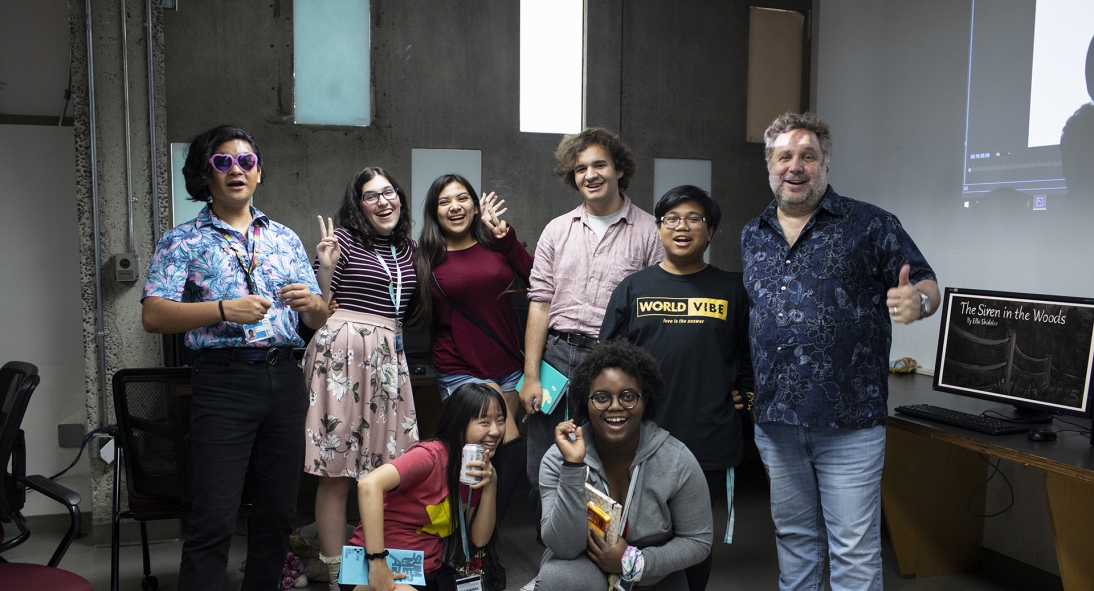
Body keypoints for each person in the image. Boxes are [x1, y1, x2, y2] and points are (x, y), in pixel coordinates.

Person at [740, 111, 939, 591]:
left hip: (850, 423)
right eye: (783, 156)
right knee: (794, 539)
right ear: (769, 166)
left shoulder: (870, 224)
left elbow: (927, 283)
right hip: (777, 422)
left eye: (807, 156)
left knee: (852, 546)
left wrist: (921, 302)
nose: (795, 166)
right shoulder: (752, 234)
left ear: (825, 165)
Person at [141, 125, 328, 590]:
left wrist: (315, 305)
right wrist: (225, 309)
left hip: (285, 380)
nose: (236, 170)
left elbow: (318, 318)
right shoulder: (182, 240)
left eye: (246, 162)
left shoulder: (284, 237)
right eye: (223, 162)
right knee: (215, 517)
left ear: (259, 172)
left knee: (277, 516)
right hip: (223, 383)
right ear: (207, 175)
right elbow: (153, 314)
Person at [600, 185, 751, 590]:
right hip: (641, 435)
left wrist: (746, 397)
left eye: (693, 219)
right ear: (659, 227)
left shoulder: (732, 290)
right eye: (671, 219)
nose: (681, 227)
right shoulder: (633, 288)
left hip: (709, 434)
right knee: (632, 527)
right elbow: (605, 363)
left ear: (710, 230)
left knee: (695, 538)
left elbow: (751, 357)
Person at [519, 128, 663, 553]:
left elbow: (656, 310)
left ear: (620, 169)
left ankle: (606, 555)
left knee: (610, 462)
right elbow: (540, 305)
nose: (590, 175)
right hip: (557, 358)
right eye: (580, 168)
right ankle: (555, 552)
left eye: (599, 165)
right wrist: (530, 375)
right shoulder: (557, 230)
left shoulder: (650, 231)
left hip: (616, 362)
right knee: (542, 464)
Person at [304, 167, 423, 590]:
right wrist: (325, 267)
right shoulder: (344, 243)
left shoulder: (410, 249)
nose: (383, 201)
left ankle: (382, 570)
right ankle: (338, 579)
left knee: (389, 470)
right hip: (344, 355)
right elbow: (318, 306)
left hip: (391, 356)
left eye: (388, 192)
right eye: (371, 196)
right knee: (336, 473)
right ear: (358, 205)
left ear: (400, 198)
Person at [535, 339, 712, 591]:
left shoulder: (677, 459)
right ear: (586, 402)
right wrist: (573, 468)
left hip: (651, 572)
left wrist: (632, 561)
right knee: (559, 579)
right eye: (602, 397)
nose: (615, 406)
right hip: (583, 565)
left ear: (645, 401)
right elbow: (563, 547)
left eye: (628, 396)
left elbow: (698, 541)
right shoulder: (559, 457)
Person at [417, 173, 534, 523]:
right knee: (479, 460)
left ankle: (481, 543)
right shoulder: (425, 257)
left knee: (498, 460)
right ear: (434, 213)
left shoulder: (497, 242)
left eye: (462, 198)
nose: (455, 207)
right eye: (444, 201)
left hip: (508, 365)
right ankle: (466, 544)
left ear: (475, 204)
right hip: (460, 368)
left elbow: (536, 278)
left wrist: (507, 237)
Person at [349, 382, 505, 591]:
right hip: (372, 566)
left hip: (424, 569)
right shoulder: (430, 456)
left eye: (500, 421)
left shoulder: (476, 469)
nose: (495, 431)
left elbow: (479, 538)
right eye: (484, 422)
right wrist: (377, 563)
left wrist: (491, 484)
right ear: (459, 423)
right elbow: (369, 485)